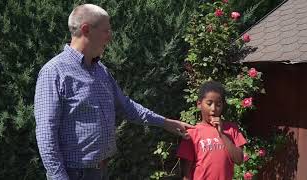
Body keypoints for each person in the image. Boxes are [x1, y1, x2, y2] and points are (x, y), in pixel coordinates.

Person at [34, 4, 194, 180]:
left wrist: (165, 123)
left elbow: (126, 106)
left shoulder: (100, 70)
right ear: (86, 29)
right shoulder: (54, 72)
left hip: (101, 171)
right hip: (75, 174)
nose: (110, 37)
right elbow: (46, 134)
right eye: (106, 31)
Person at [177, 81, 247, 180]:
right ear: (199, 104)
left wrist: (222, 134)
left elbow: (239, 160)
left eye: (218, 104)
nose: (213, 108)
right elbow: (186, 174)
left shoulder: (231, 129)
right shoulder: (192, 133)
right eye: (209, 103)